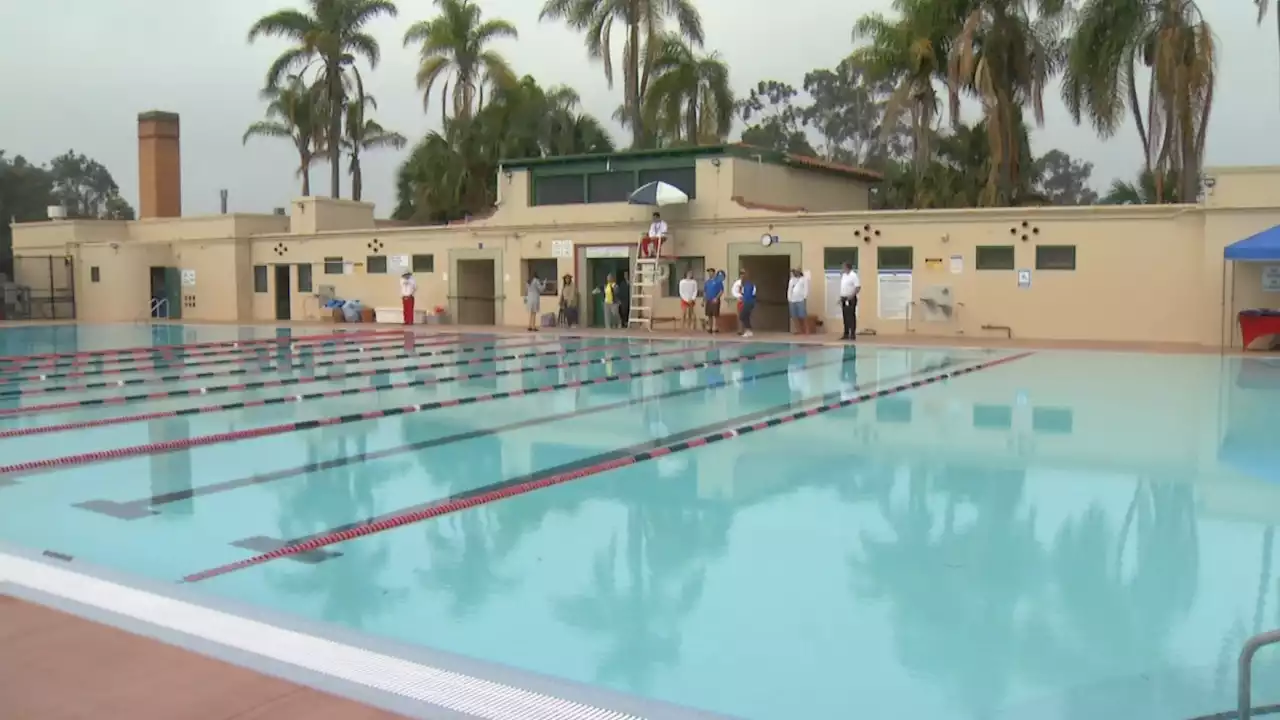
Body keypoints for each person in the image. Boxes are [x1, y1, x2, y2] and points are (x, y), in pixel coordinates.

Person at [839, 261, 861, 340]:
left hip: (851, 298)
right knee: (845, 316)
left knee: (851, 316)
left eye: (843, 267)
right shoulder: (844, 275)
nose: (842, 269)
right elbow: (843, 287)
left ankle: (852, 334)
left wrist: (851, 296)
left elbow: (858, 287)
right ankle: (846, 333)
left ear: (847, 267)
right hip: (844, 298)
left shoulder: (853, 275)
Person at [787, 268, 809, 334]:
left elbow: (806, 289)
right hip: (792, 300)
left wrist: (804, 297)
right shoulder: (792, 280)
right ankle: (799, 330)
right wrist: (789, 298)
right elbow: (789, 289)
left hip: (800, 300)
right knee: (794, 316)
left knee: (802, 316)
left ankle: (806, 330)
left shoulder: (804, 279)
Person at [738, 269, 757, 338]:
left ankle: (748, 330)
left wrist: (751, 302)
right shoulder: (743, 285)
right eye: (741, 274)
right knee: (746, 317)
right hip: (745, 302)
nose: (742, 276)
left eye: (743, 274)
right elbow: (742, 293)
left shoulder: (751, 285)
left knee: (742, 316)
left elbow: (754, 294)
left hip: (749, 302)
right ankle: (749, 331)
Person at [703, 268, 723, 334]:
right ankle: (710, 327)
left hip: (715, 300)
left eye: (711, 272)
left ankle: (715, 327)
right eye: (709, 272)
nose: (710, 273)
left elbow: (721, 291)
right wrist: (704, 300)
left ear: (714, 273)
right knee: (709, 315)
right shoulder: (707, 282)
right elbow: (705, 292)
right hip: (708, 300)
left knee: (715, 315)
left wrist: (716, 298)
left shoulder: (718, 281)